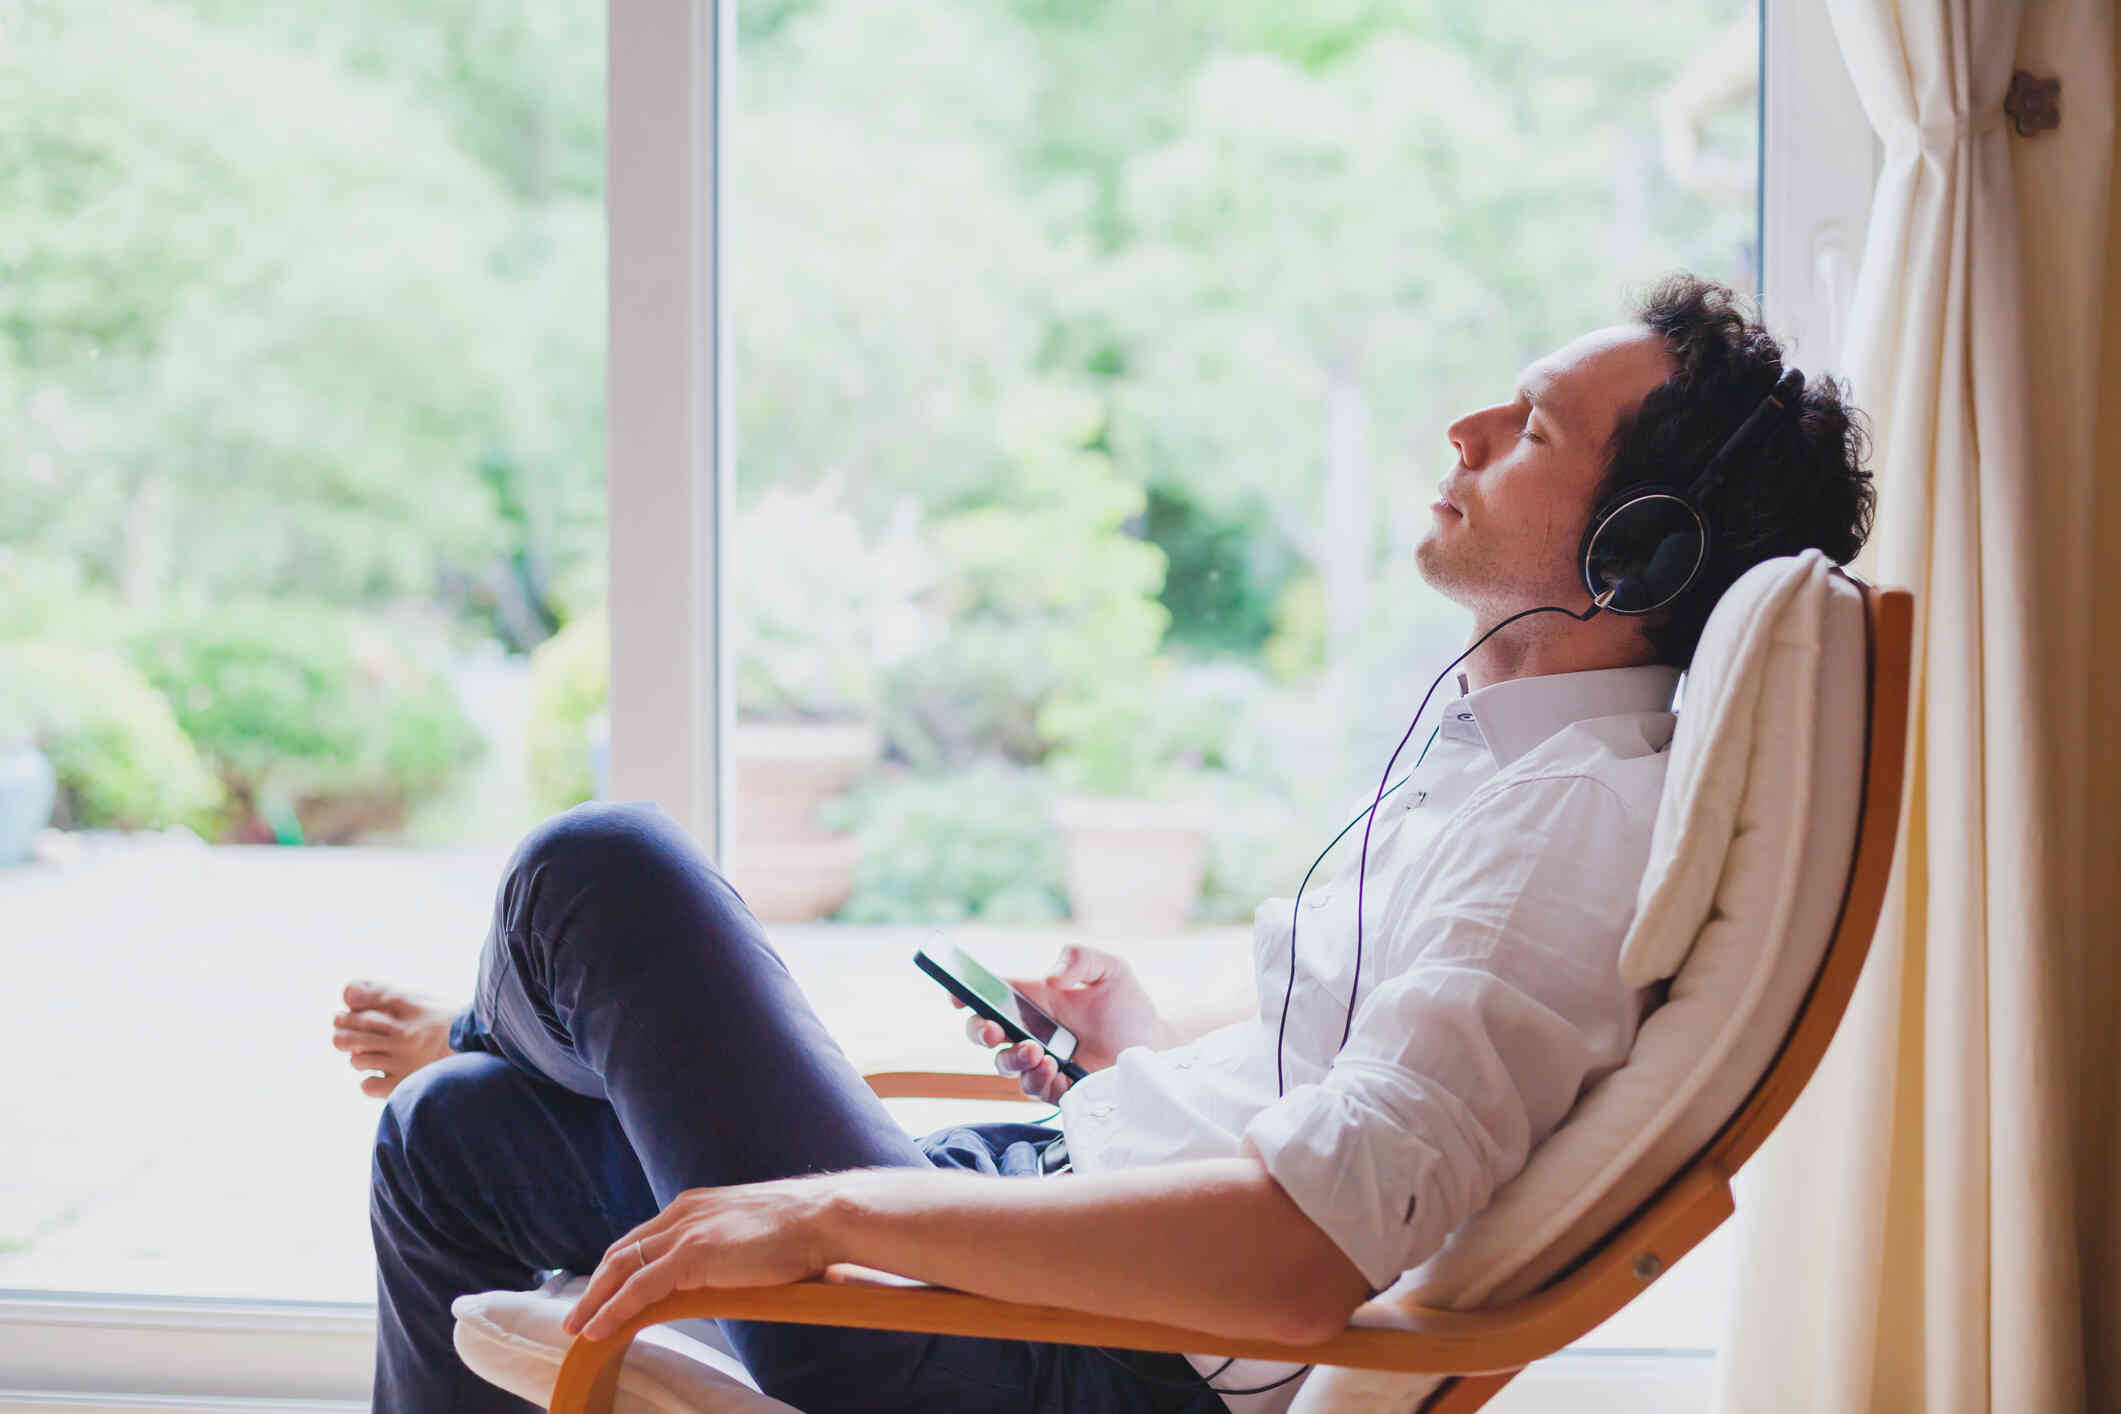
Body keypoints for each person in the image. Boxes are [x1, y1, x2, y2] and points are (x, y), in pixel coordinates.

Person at [334, 275, 1873, 1414]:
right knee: (451, 1140)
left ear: (1641, 548)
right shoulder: (1496, 771)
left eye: (1531, 425)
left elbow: (1299, 1257)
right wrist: (1133, 1060)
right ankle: (501, 1052)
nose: (1465, 427)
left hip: (1055, 1347)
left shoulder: (1563, 826)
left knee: (596, 873)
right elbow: (1352, 1114)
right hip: (1033, 1235)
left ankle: (505, 1027)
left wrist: (836, 1208)